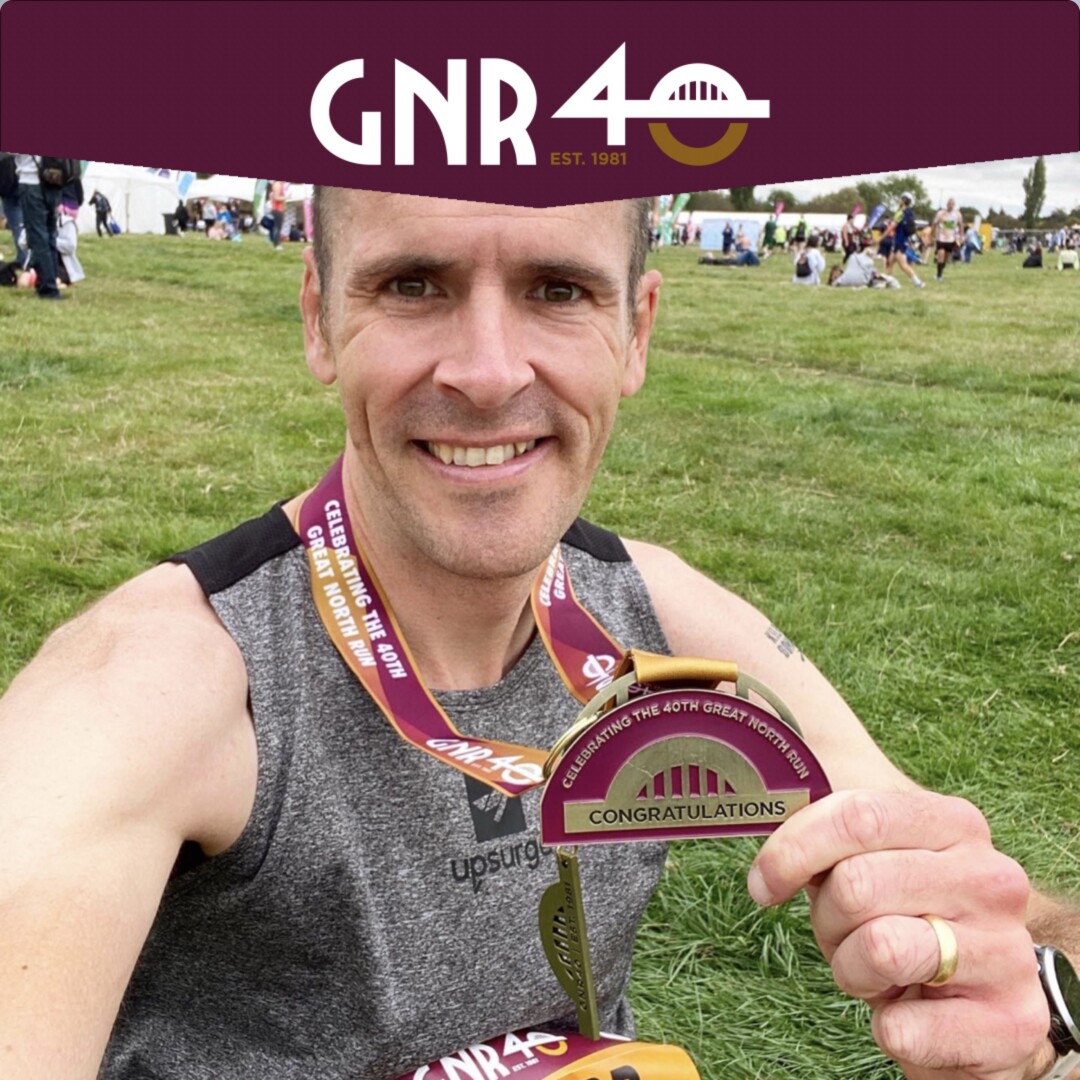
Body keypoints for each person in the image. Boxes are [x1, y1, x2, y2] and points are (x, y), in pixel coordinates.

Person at [2, 191, 1078, 1080]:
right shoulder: (153, 690)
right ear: (321, 321)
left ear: (636, 332)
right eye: (413, 284)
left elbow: (999, 911)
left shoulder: (663, 619)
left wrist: (1032, 1010)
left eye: (558, 290)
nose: (488, 372)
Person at [14, 153, 64, 299]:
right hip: (54, 180)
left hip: (31, 181)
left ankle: (48, 288)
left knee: (38, 237)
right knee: (50, 234)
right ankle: (50, 280)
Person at [885, 193, 925, 288]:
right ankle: (889, 283)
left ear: (904, 200)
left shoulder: (901, 212)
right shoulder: (910, 213)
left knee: (903, 265)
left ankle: (918, 282)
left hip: (899, 241)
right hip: (902, 241)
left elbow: (892, 227)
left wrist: (881, 237)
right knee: (889, 263)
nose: (899, 200)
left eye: (901, 198)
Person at [930, 198, 964, 282]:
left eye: (952, 204)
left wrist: (961, 236)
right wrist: (932, 235)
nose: (950, 206)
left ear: (954, 205)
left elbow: (961, 225)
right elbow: (934, 224)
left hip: (951, 239)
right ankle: (939, 275)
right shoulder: (940, 213)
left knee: (946, 258)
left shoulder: (957, 214)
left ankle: (940, 271)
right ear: (947, 204)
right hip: (941, 238)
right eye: (949, 204)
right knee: (941, 255)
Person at [268, 179, 288, 249]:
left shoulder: (280, 185)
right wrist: (286, 197)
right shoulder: (277, 184)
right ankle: (277, 244)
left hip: (279, 209)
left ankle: (276, 243)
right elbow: (276, 197)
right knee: (277, 227)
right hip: (277, 209)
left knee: (278, 227)